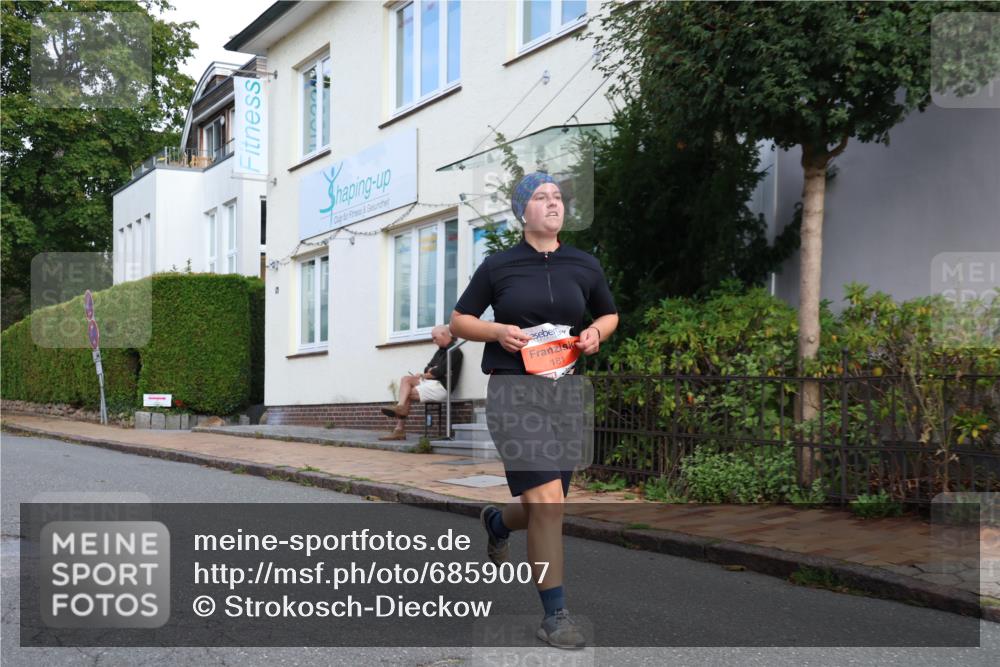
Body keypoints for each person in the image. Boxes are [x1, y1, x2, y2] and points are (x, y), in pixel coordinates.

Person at [449, 171, 619, 649]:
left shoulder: (584, 265)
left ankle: (497, 523)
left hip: (565, 395)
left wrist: (596, 333)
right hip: (514, 394)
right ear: (522, 211)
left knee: (546, 503)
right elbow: (460, 319)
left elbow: (609, 312)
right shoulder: (498, 266)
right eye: (541, 198)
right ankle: (556, 615)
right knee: (548, 504)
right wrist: (498, 331)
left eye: (557, 198)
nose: (552, 203)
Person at [379, 325, 463, 441]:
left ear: (443, 334)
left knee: (407, 392)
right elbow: (427, 368)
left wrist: (430, 372)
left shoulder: (454, 352)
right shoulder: (439, 352)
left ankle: (399, 429)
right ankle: (400, 408)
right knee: (406, 379)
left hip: (441, 387)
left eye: (435, 338)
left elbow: (438, 372)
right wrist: (431, 371)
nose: (433, 341)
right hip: (430, 383)